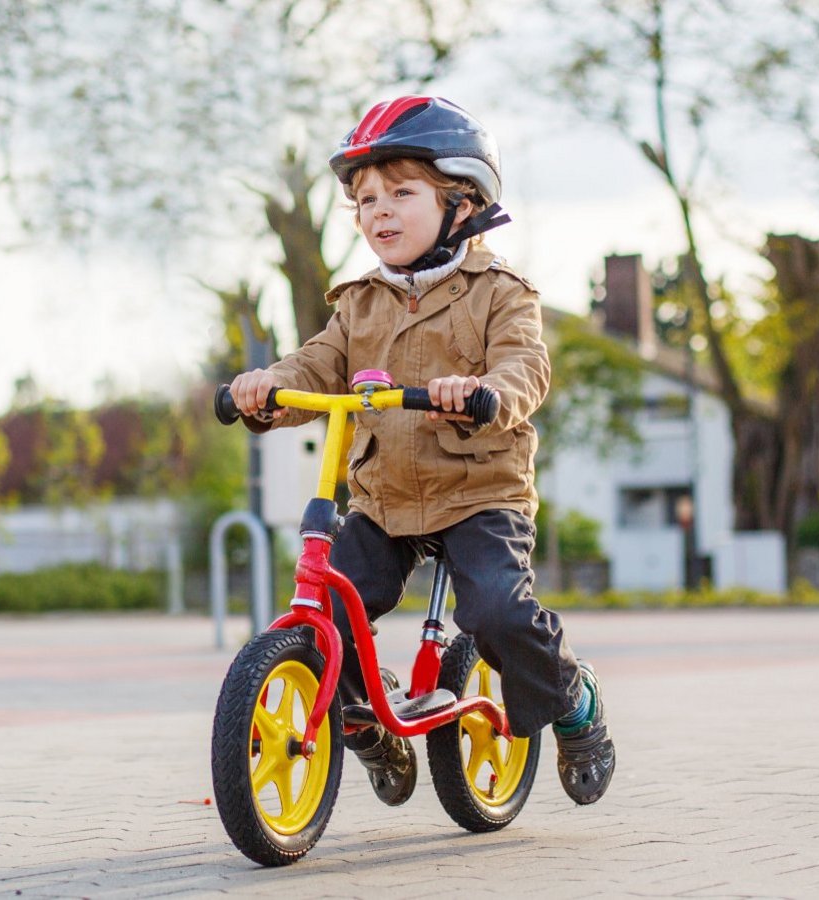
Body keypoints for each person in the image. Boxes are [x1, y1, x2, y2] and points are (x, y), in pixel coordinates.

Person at [229, 96, 615, 807]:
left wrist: (485, 393)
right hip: (385, 499)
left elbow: (525, 366)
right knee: (330, 608)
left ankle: (574, 701)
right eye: (365, 200)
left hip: (479, 493)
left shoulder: (500, 292)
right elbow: (316, 366)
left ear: (461, 202)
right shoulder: (359, 302)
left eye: (402, 193)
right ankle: (366, 724)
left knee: (496, 612)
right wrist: (267, 388)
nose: (379, 211)